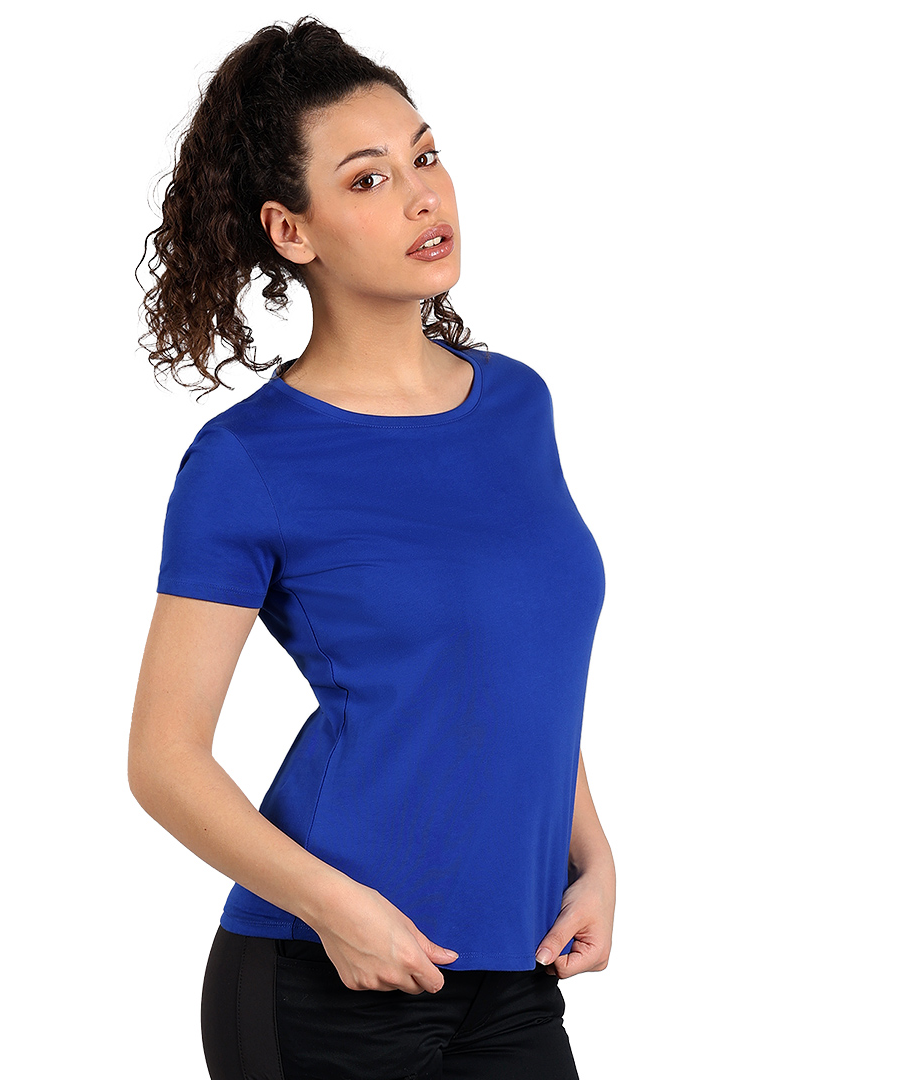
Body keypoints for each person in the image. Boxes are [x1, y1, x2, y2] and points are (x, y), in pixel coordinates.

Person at [128, 16, 616, 1080]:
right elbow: (163, 760)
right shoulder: (247, 461)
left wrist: (594, 854)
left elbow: (511, 665)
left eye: (425, 157)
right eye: (368, 179)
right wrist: (336, 909)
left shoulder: (518, 404)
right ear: (290, 231)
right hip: (324, 979)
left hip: (515, 969)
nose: (423, 197)